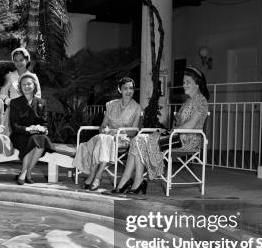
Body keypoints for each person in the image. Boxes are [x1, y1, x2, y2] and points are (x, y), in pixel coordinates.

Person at [113, 66, 209, 195]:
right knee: (137, 139)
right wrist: (168, 132)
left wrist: (169, 132)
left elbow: (190, 126)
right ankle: (131, 181)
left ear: (197, 84)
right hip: (176, 137)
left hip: (187, 141)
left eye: (188, 82)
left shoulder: (201, 101)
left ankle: (135, 181)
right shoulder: (189, 101)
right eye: (183, 82)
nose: (184, 85)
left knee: (140, 140)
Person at [73, 77, 141, 191]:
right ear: (120, 90)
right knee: (103, 139)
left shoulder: (137, 107)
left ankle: (93, 176)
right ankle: (97, 177)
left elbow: (134, 131)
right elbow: (103, 126)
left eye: (131, 88)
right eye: (125, 88)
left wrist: (117, 131)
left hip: (122, 140)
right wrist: (104, 129)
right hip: (106, 138)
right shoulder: (111, 105)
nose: (129, 91)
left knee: (103, 140)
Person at [9, 72, 54, 185]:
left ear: (34, 86)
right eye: (23, 84)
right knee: (35, 140)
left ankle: (26, 172)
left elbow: (44, 123)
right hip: (20, 135)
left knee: (40, 139)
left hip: (37, 135)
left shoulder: (41, 102)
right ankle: (27, 173)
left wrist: (44, 128)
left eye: (29, 84)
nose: (26, 86)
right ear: (20, 87)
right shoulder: (15, 102)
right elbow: (14, 126)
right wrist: (28, 129)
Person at [0, 47, 42, 135]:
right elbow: (2, 95)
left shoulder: (33, 77)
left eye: (21, 60)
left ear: (27, 60)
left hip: (28, 112)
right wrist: (9, 101)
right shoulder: (10, 76)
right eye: (16, 60)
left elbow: (38, 96)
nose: (19, 63)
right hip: (12, 112)